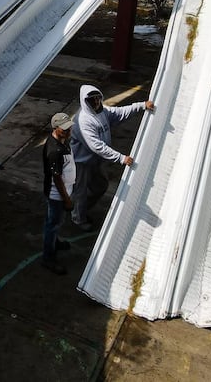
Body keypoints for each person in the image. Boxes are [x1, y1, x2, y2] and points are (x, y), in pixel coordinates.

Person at [70, 85, 154, 231]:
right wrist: (121, 158)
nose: (96, 102)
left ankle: (77, 207)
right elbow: (97, 146)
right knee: (81, 192)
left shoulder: (102, 111)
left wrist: (141, 106)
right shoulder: (83, 121)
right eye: (92, 100)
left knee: (100, 186)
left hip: (95, 161)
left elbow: (119, 113)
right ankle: (78, 218)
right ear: (85, 101)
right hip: (80, 164)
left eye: (98, 99)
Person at [41, 112, 76, 275]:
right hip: (57, 195)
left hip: (62, 193)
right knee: (53, 224)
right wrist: (66, 199)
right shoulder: (54, 151)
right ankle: (48, 257)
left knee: (55, 222)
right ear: (56, 129)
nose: (68, 132)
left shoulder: (62, 140)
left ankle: (55, 241)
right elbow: (57, 178)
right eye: (65, 130)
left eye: (69, 129)